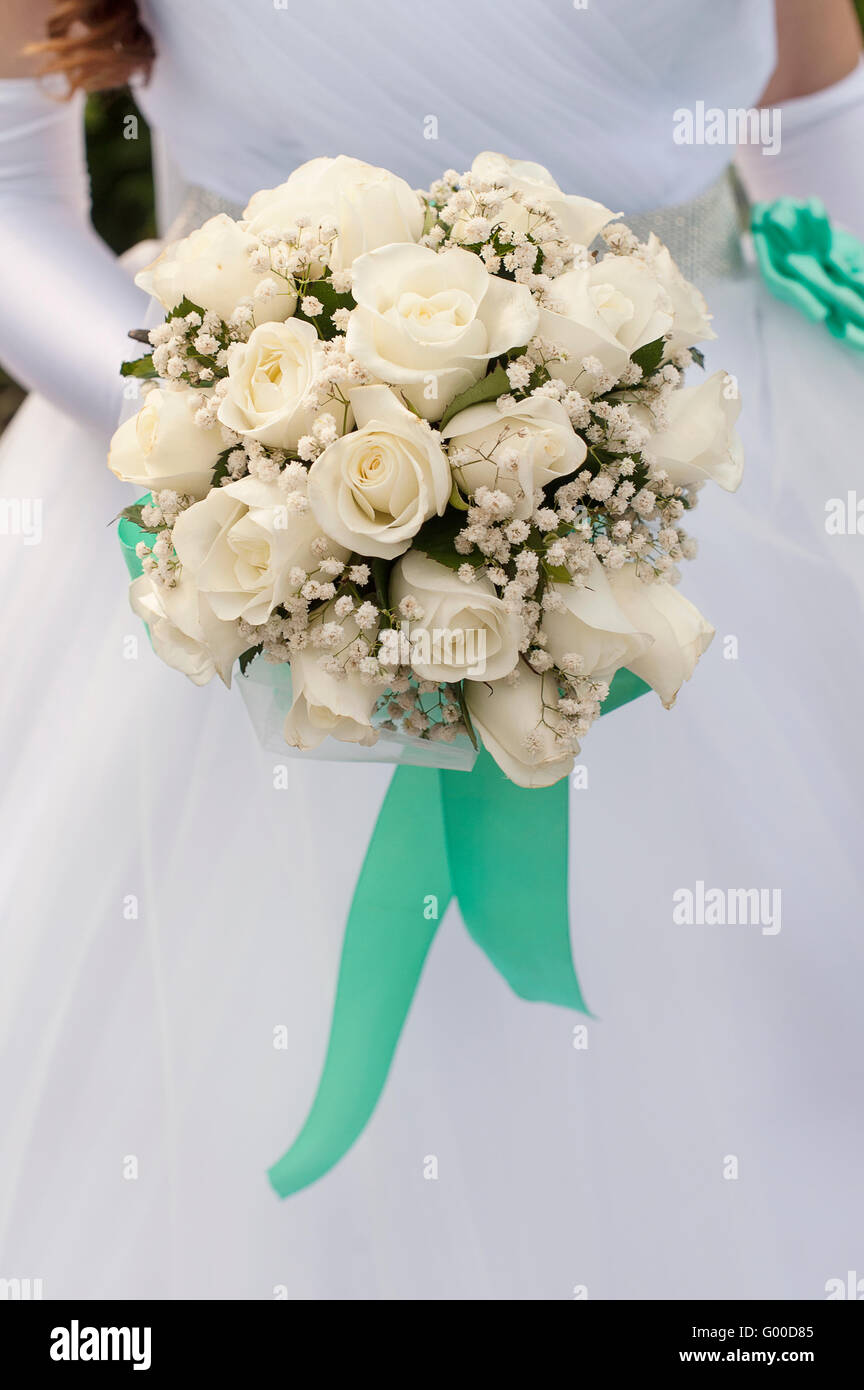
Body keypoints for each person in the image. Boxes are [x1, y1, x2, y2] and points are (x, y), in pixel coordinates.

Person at [0, 0, 862, 1300]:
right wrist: (239, 440)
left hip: (706, 486)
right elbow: (10, 180)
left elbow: (812, 114)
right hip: (240, 486)